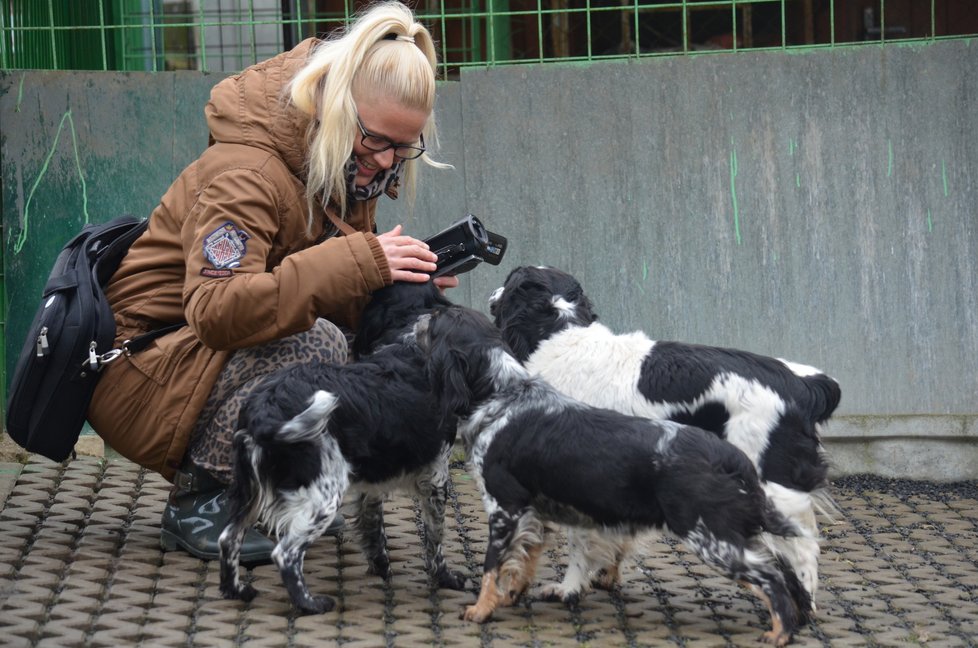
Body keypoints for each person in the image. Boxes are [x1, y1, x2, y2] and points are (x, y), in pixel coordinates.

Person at [87, 0, 458, 564]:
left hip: (186, 361)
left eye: (403, 148)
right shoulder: (248, 171)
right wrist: (358, 263)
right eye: (377, 141)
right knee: (321, 345)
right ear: (336, 107)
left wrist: (397, 281)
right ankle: (203, 500)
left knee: (349, 342)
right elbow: (216, 310)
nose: (386, 162)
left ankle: (266, 488)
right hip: (137, 367)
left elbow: (315, 283)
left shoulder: (338, 164)